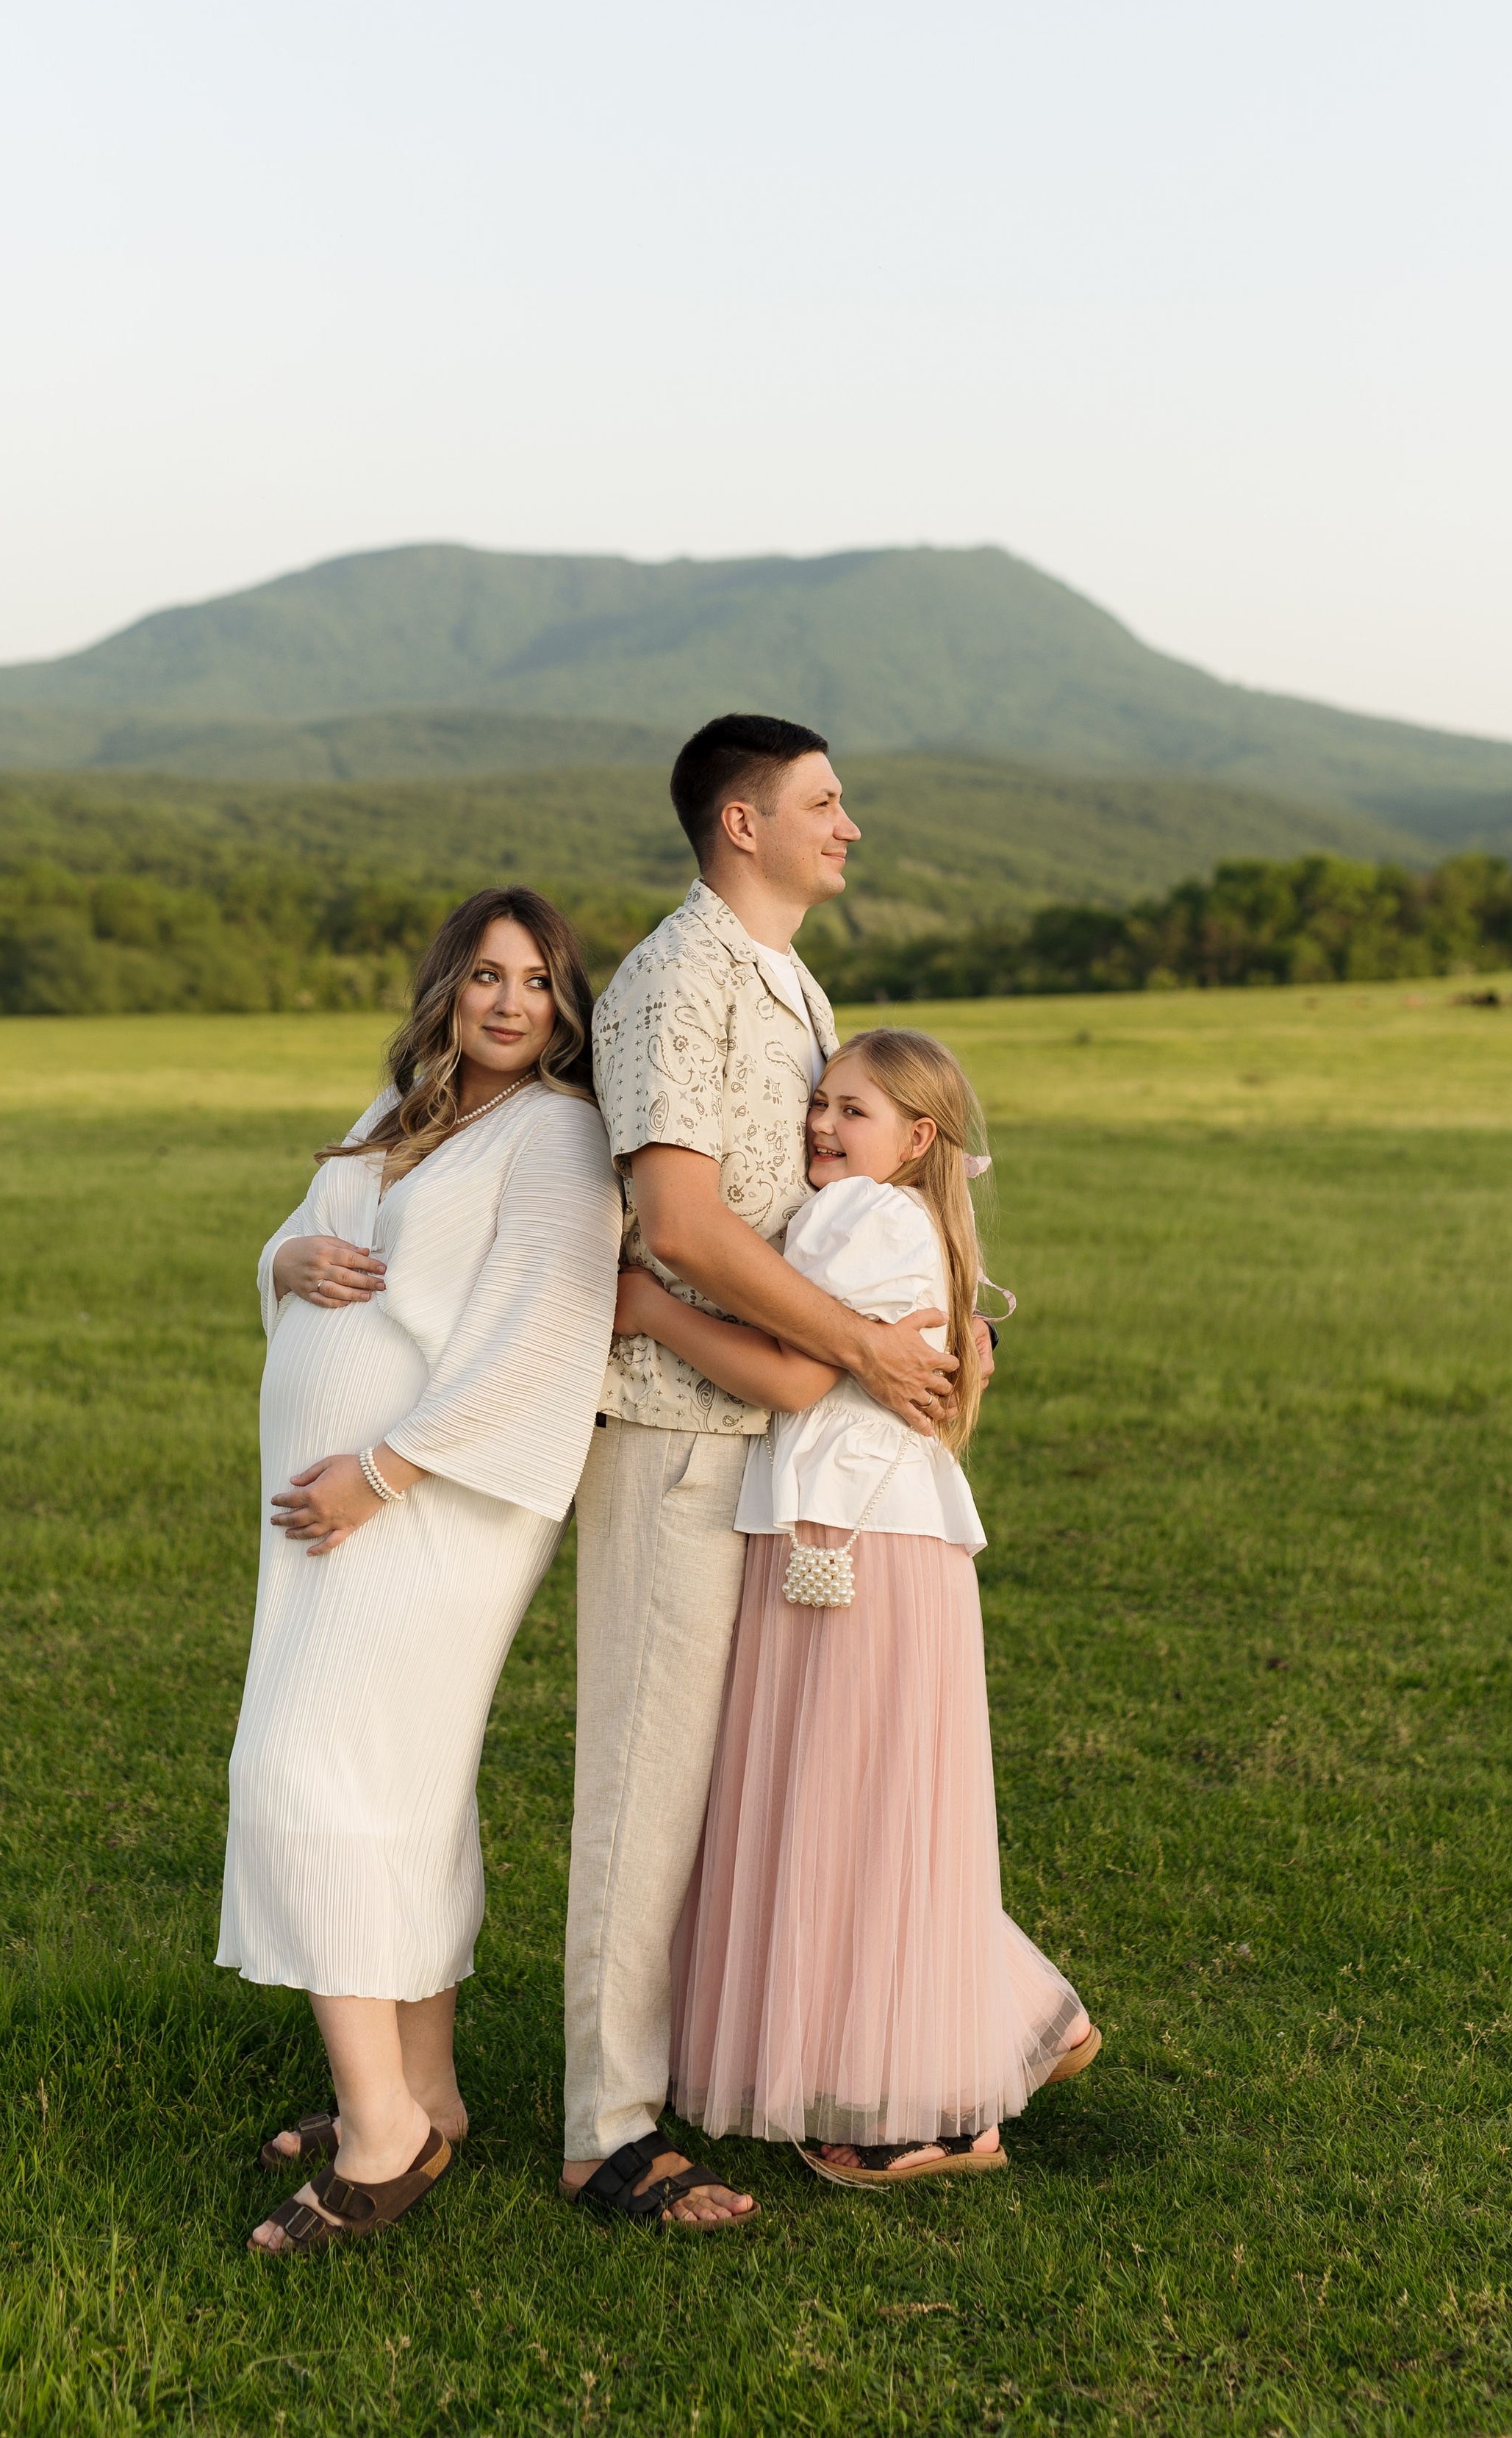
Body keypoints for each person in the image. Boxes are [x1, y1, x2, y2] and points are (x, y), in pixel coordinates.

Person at [559, 715, 988, 2232]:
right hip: (678, 1428)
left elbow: (842, 1203)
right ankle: (606, 2131)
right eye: (823, 800)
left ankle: (932, 2012)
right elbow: (675, 1222)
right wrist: (861, 1354)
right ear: (739, 823)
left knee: (764, 1785)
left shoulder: (793, 990)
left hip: (774, 1455)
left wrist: (933, 1323)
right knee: (643, 1775)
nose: (849, 823)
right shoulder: (678, 977)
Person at [622, 1026, 1099, 2184]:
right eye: (820, 1104)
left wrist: (646, 1307)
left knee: (850, 1805)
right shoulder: (911, 1225)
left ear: (919, 1138)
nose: (823, 1127)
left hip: (849, 1547)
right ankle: (1021, 2014)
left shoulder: (858, 1220)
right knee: (881, 1800)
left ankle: (933, 2110)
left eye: (856, 1112)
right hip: (881, 1540)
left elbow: (794, 1376)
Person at [218, 886, 621, 2257]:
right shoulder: (399, 1123)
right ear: (449, 988)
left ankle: (381, 2140)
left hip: (432, 1510)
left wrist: (382, 1473)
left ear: (567, 1010)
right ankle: (422, 2093)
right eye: (488, 975)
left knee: (303, 1772)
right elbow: (283, 1239)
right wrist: (286, 1253)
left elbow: (538, 1340)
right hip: (337, 1519)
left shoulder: (559, 1135)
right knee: (396, 1785)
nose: (512, 1002)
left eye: (541, 982)